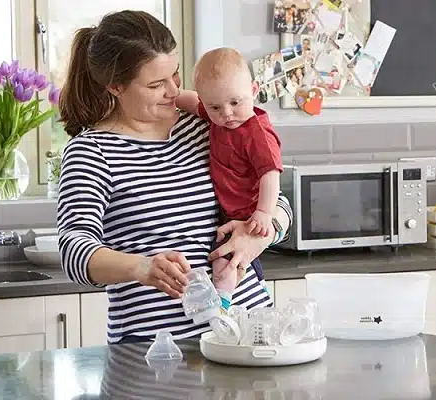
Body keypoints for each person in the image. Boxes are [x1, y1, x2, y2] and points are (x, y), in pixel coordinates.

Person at [55, 10, 292, 344]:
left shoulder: (206, 125)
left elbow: (277, 202)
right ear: (115, 87)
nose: (173, 91)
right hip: (156, 347)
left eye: (176, 75)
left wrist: (256, 238)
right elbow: (74, 251)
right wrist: (141, 267)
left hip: (247, 335)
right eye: (156, 84)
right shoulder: (93, 152)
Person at [174, 47, 283, 312]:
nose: (227, 114)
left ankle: (221, 303)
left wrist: (264, 213)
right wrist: (172, 97)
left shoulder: (256, 133)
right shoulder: (216, 116)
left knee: (224, 263)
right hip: (229, 211)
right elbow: (191, 102)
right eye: (215, 107)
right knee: (234, 260)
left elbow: (270, 174)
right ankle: (249, 281)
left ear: (254, 90)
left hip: (248, 213)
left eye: (236, 103)